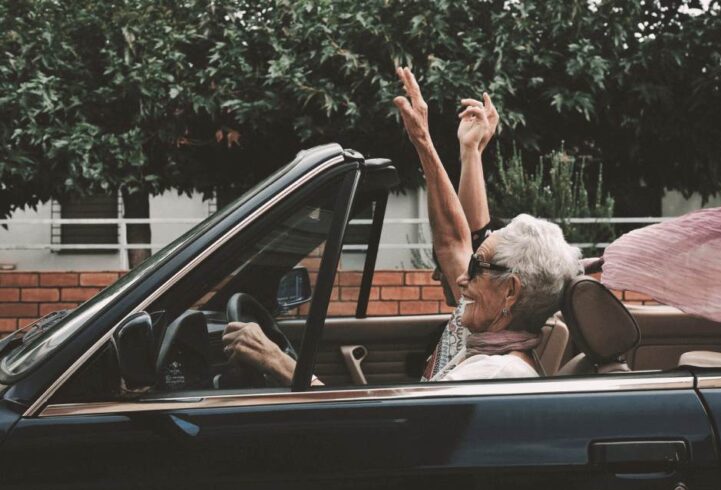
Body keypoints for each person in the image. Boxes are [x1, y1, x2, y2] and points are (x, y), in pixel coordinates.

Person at [223, 67, 582, 383]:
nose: (459, 276)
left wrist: (278, 363)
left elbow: (382, 441)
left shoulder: (494, 373)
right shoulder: (485, 320)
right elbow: (454, 239)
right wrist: (439, 145)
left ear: (510, 292)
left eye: (476, 267)